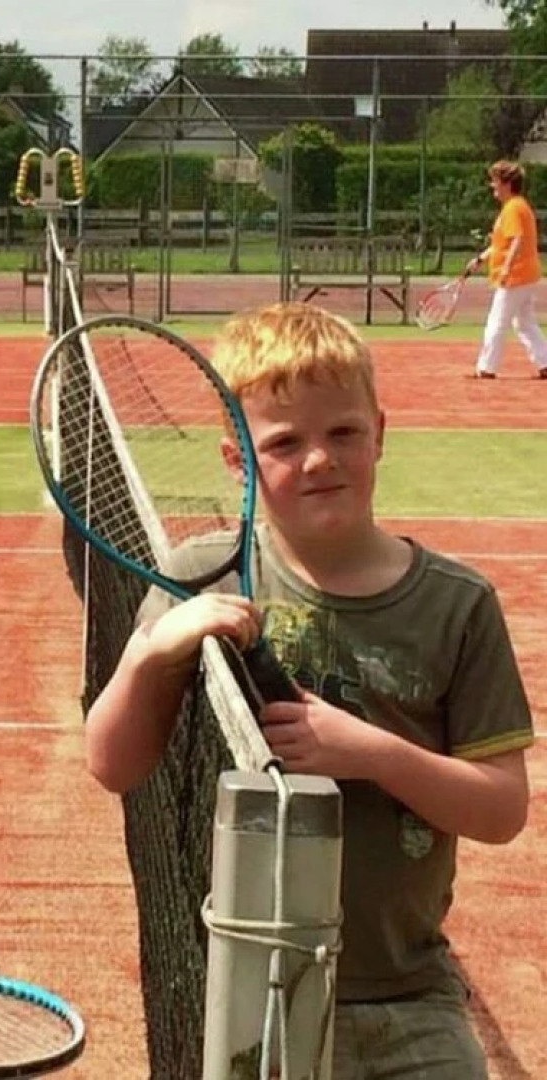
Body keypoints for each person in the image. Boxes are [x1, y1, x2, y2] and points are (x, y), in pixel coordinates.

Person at [83, 302, 534, 1078]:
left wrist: (373, 754)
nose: (320, 459)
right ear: (237, 460)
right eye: (285, 443)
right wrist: (154, 652)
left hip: (407, 990)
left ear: (381, 434)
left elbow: (501, 809)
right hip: (248, 986)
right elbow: (113, 764)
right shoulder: (203, 578)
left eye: (344, 433)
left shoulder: (458, 605)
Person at [468, 159, 547, 379]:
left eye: (495, 181)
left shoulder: (514, 208)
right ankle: (544, 362)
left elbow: (517, 240)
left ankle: (486, 368)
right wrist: (481, 259)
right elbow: (501, 243)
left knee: (497, 321)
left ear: (506, 184)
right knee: (524, 323)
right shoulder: (515, 207)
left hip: (517, 276)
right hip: (526, 274)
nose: (492, 185)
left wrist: (506, 268)